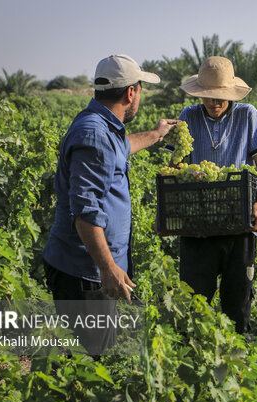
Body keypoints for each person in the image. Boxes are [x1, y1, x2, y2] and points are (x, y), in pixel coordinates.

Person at [42, 54, 178, 354]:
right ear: (131, 92)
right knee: (91, 362)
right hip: (85, 273)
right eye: (140, 89)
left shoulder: (103, 126)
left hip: (90, 270)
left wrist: (156, 135)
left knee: (92, 357)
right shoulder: (94, 134)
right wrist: (108, 268)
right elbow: (85, 212)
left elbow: (121, 147)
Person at [170, 56, 257, 335]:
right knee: (194, 301)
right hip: (198, 223)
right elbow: (175, 165)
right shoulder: (188, 117)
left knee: (238, 302)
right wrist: (182, 173)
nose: (214, 104)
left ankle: (238, 362)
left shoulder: (247, 115)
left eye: (220, 98)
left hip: (238, 220)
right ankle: (194, 357)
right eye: (207, 98)